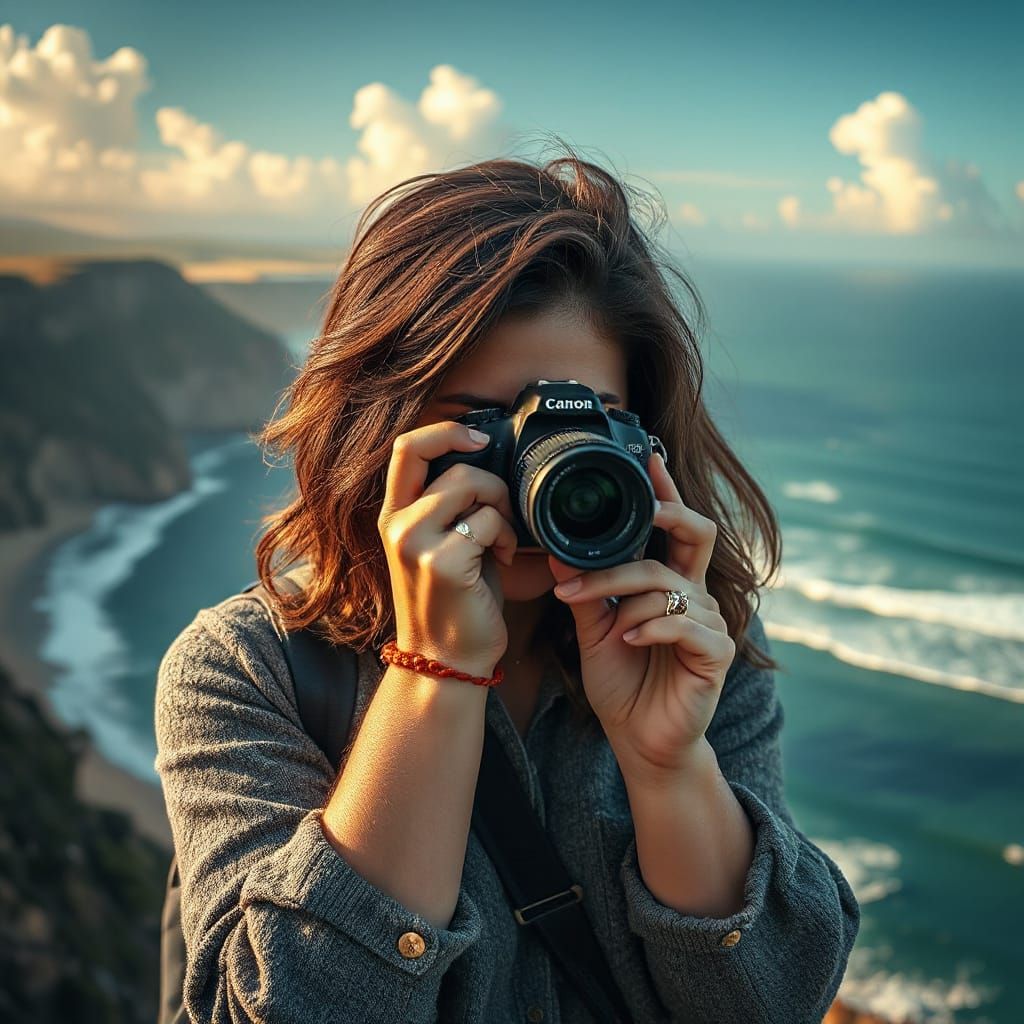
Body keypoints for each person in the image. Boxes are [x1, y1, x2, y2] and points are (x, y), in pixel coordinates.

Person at [154, 147, 860, 1024]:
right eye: (485, 428)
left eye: (584, 424)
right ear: (379, 430)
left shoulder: (698, 660)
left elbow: (773, 1003)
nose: (543, 471)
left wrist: (669, 765)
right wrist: (431, 673)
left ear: (646, 441)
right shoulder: (249, 671)